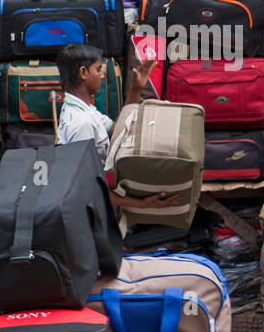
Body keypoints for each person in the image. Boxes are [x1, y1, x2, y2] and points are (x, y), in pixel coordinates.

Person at [53, 42, 175, 213]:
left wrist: (136, 88)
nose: (102, 76)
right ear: (83, 73)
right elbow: (87, 188)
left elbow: (118, 129)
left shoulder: (83, 108)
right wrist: (141, 204)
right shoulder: (82, 124)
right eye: (98, 70)